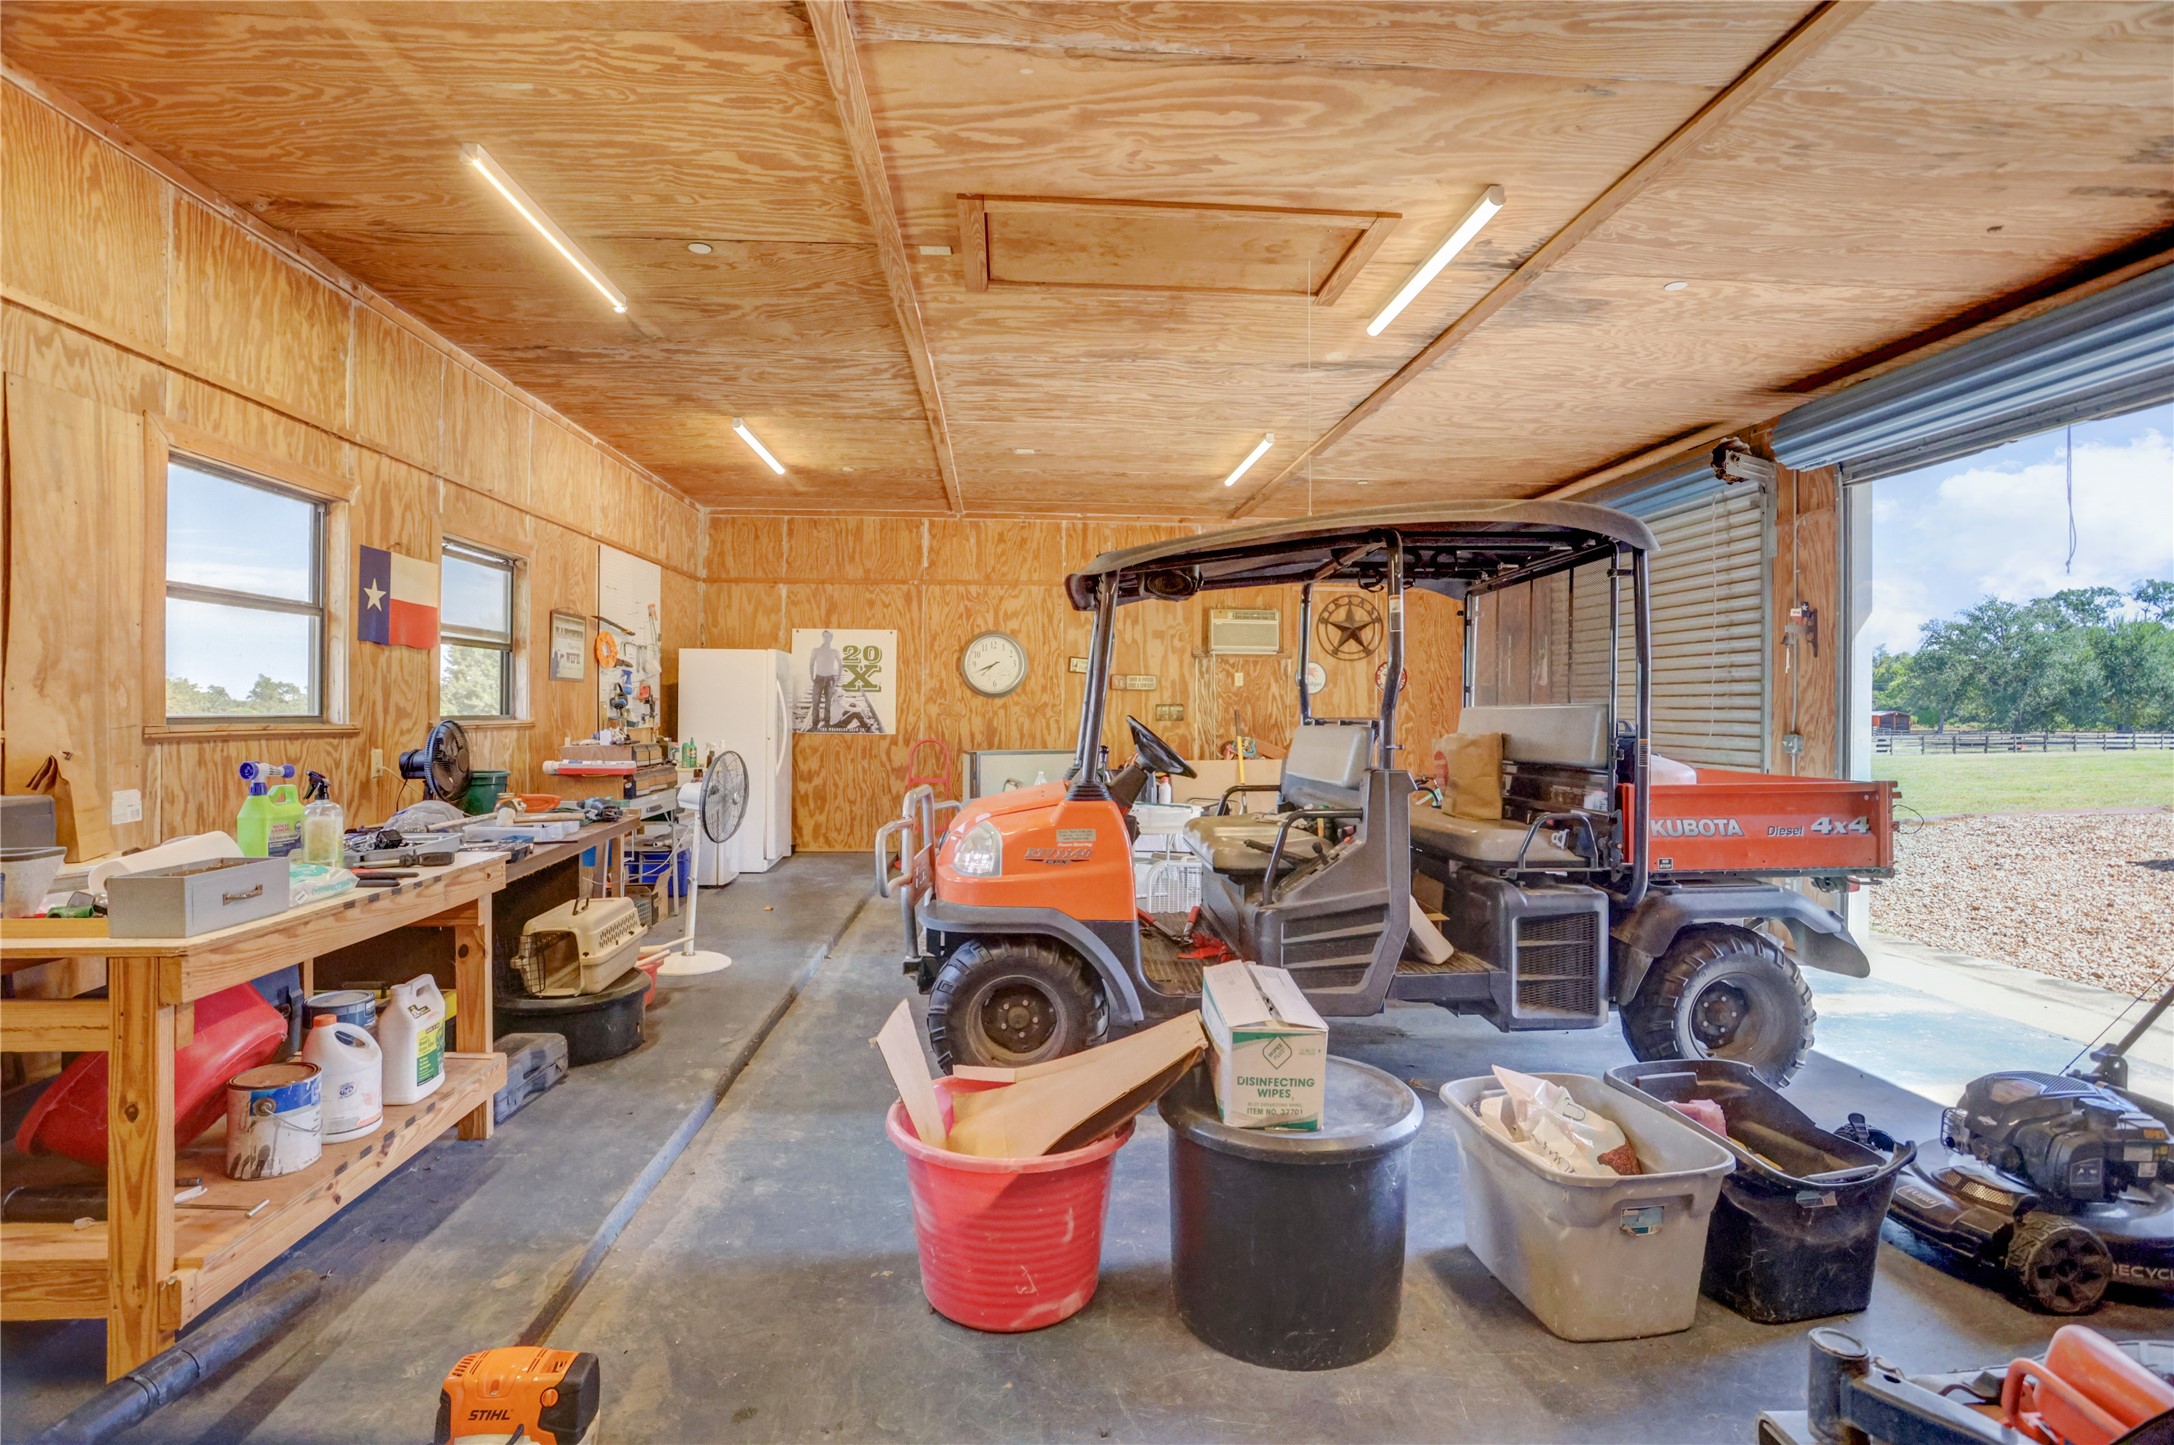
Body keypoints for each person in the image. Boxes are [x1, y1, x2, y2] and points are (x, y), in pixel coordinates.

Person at [809, 630, 841, 730]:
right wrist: (811, 677)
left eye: (829, 637)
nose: (827, 639)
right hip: (819, 678)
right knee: (815, 702)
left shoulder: (834, 651)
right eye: (825, 637)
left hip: (830, 679)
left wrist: (838, 678)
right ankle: (815, 723)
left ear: (831, 638)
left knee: (828, 702)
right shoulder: (816, 650)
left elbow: (840, 664)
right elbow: (811, 663)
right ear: (822, 637)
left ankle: (827, 723)